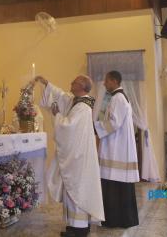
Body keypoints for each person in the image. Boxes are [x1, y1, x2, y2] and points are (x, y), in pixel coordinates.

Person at [34, 75, 104, 237]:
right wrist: (46, 83)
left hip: (78, 157)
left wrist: (58, 115)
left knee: (76, 189)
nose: (70, 84)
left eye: (74, 82)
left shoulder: (83, 107)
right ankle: (74, 226)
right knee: (73, 189)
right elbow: (61, 95)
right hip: (77, 155)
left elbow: (68, 127)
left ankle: (79, 229)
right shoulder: (77, 100)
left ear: (81, 86)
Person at [93, 70, 139, 228]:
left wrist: (95, 127)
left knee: (114, 185)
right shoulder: (117, 97)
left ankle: (117, 219)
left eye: (106, 81)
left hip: (116, 149)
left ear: (113, 81)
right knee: (117, 185)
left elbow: (114, 123)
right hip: (117, 146)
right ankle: (119, 219)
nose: (104, 84)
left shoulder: (118, 98)